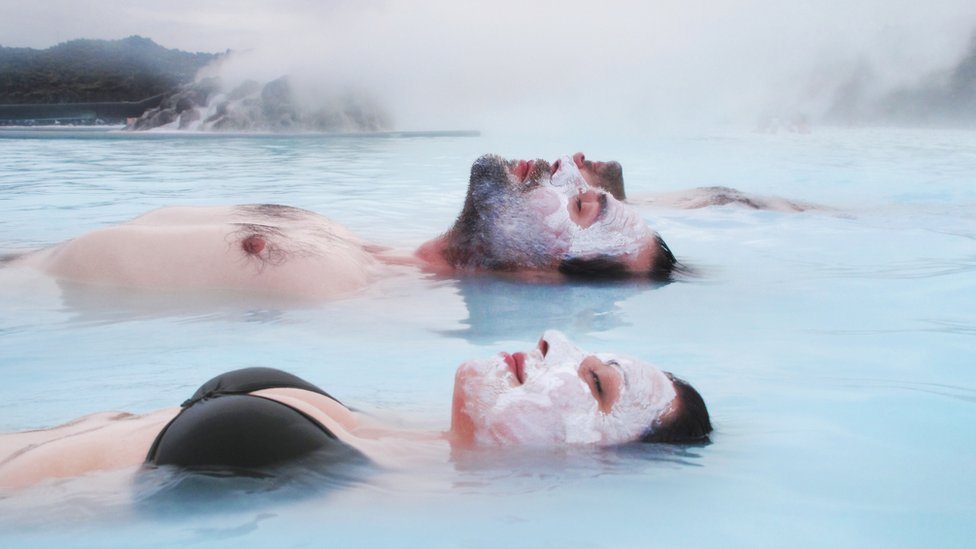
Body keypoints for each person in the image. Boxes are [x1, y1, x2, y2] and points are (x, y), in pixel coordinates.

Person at [0, 330, 711, 490]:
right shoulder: (383, 433)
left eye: (594, 385)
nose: (553, 340)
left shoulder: (384, 508)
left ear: (595, 458)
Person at [3, 152, 679, 300]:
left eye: (584, 205)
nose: (560, 176)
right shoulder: (339, 240)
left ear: (540, 269)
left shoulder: (324, 287)